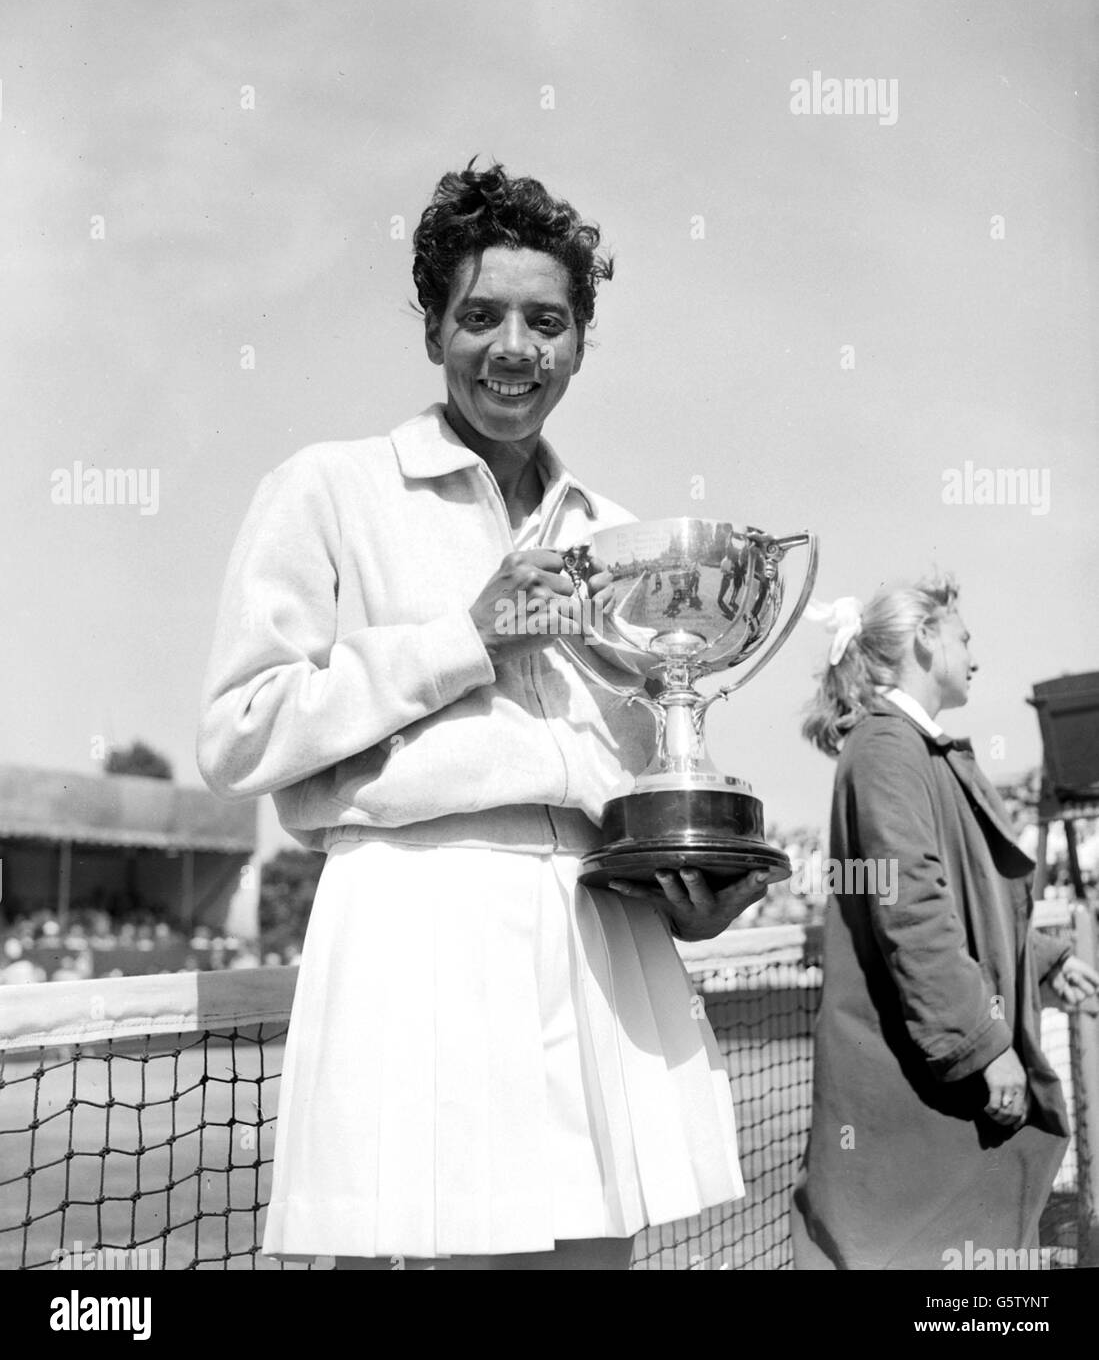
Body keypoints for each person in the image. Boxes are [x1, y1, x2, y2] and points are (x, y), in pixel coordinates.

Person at [197, 161, 767, 1271]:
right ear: (432, 330)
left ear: (578, 342)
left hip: (603, 931)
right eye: (481, 315)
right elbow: (241, 729)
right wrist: (467, 638)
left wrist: (686, 884)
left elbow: (640, 753)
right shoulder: (330, 486)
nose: (516, 348)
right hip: (417, 913)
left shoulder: (619, 531)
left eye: (546, 320)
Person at [791, 578, 1099, 1270]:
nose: (974, 654)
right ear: (925, 637)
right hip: (920, 1098)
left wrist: (1043, 959)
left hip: (938, 1096)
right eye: (964, 636)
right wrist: (983, 1048)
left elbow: (961, 898)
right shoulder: (884, 748)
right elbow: (913, 911)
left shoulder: (904, 747)